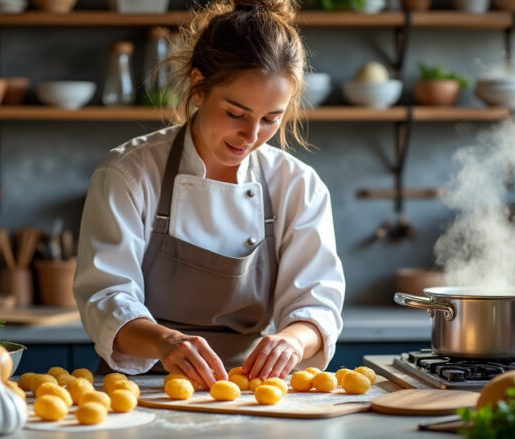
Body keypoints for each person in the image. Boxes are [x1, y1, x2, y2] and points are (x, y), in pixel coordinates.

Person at [74, 0, 345, 389]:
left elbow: (317, 304)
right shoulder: (129, 172)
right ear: (199, 87)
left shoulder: (297, 185)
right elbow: (105, 295)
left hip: (249, 389)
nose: (251, 137)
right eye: (236, 113)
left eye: (271, 119)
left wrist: (290, 341)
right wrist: (166, 342)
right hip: (142, 388)